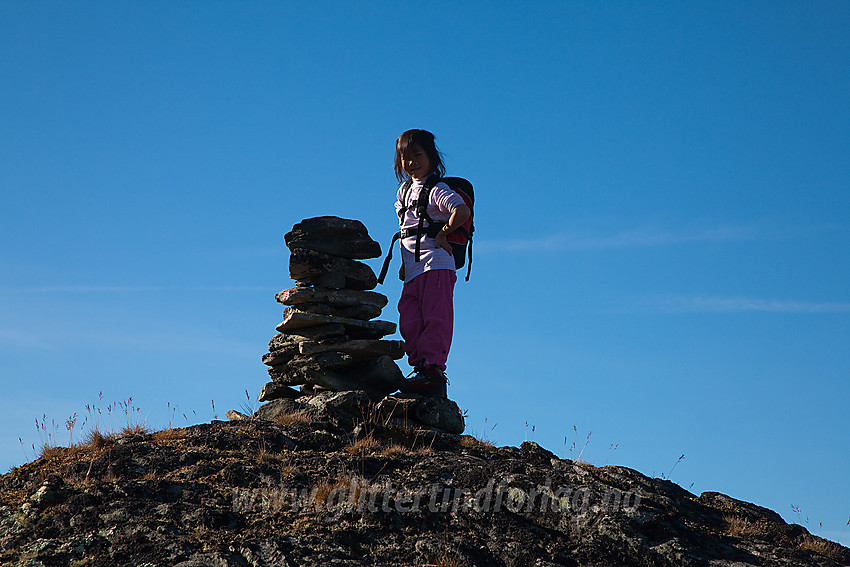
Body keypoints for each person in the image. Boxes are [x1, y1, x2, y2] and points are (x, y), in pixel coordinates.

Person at [393, 129, 470, 397]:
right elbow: (406, 227)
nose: (412, 162)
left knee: (436, 318)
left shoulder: (437, 189)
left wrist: (444, 233)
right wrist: (404, 262)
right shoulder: (403, 193)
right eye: (405, 157)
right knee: (410, 320)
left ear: (432, 157)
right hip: (413, 270)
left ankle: (433, 371)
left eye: (418, 155)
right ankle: (420, 370)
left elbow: (461, 210)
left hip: (437, 264)